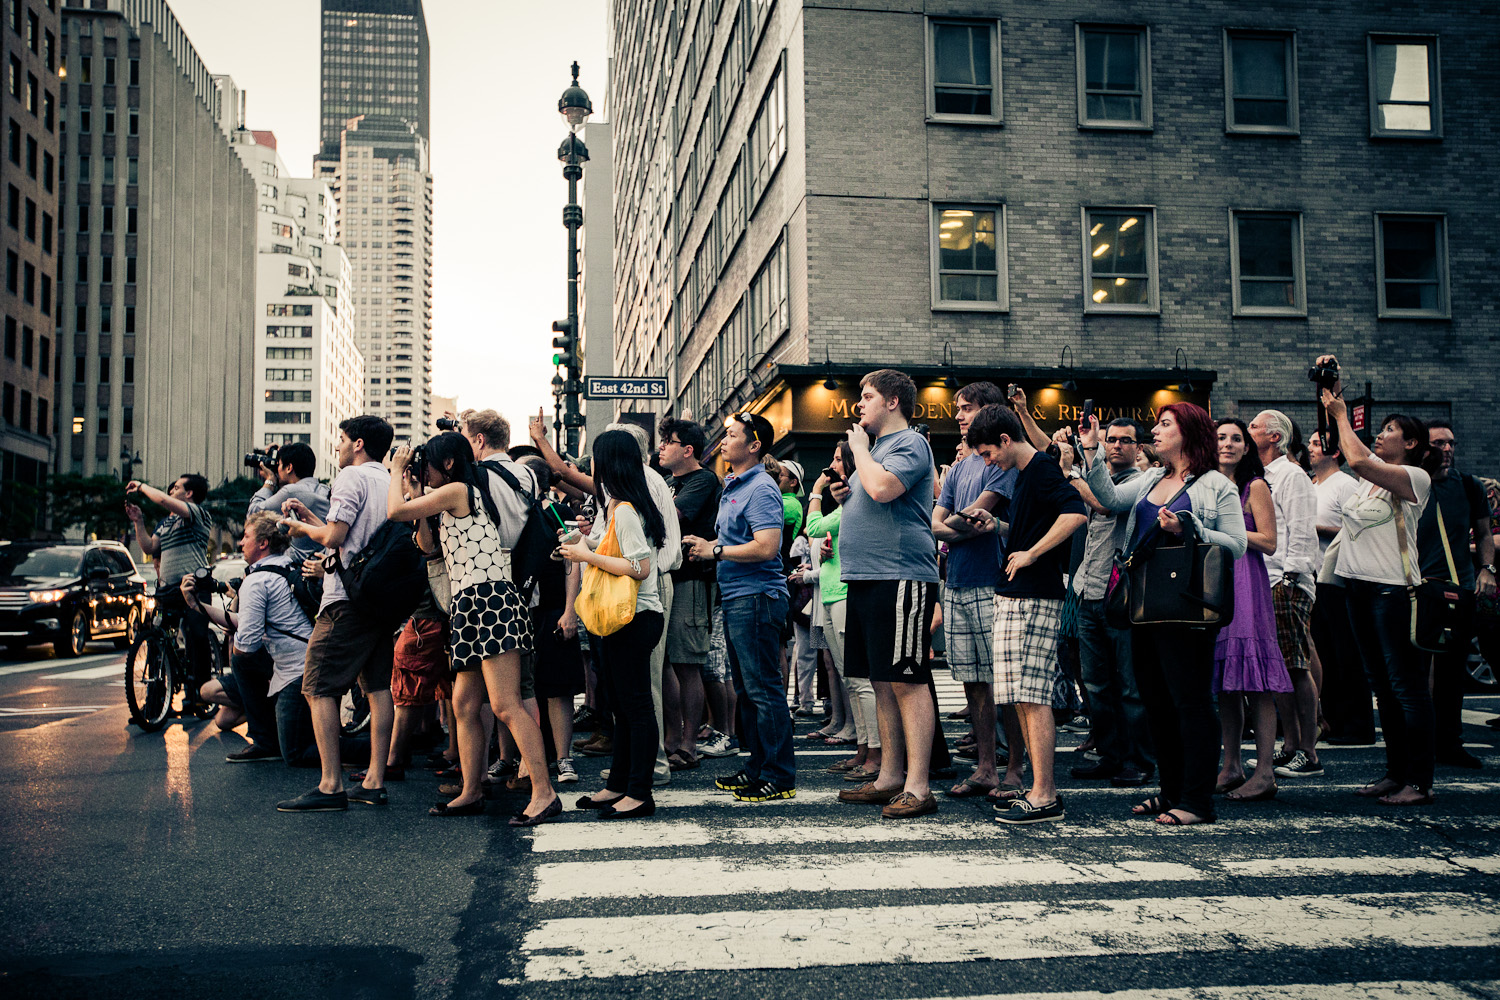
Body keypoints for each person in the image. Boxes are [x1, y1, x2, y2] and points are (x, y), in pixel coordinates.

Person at [1082, 403, 1248, 826]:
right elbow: (1108, 499)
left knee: (1190, 702)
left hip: (1188, 605)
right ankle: (1171, 790)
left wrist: (1190, 527)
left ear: (1188, 433)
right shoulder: (1151, 477)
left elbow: (1236, 544)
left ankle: (1196, 800)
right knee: (1156, 701)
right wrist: (1092, 452)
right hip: (1145, 602)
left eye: (1164, 425)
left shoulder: (1215, 485)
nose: (1154, 432)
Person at [384, 431, 559, 824]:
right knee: (464, 705)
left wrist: (396, 472)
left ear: (447, 463)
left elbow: (394, 512)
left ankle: (545, 792)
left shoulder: (461, 489)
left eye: (426, 463)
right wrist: (416, 493)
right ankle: (471, 790)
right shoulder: (446, 502)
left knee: (505, 704)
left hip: (491, 600)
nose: (420, 470)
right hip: (468, 606)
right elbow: (428, 548)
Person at [961, 405, 1089, 825]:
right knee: (1020, 694)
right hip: (1019, 592)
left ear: (1004, 439)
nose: (987, 462)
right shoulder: (1027, 474)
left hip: (1033, 594)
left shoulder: (1042, 469)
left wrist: (1033, 553)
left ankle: (1045, 794)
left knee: (1031, 695)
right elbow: (1036, 525)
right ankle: (1038, 789)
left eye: (986, 453)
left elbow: (1077, 512)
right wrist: (997, 527)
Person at [1318, 355, 1435, 806]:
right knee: (1381, 686)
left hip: (1394, 590)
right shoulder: (1366, 482)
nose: (1380, 434)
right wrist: (1333, 391)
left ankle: (1419, 782)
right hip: (1358, 588)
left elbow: (1355, 455)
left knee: (1406, 687)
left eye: (1388, 430)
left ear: (1409, 443)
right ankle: (1394, 773)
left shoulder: (1413, 478)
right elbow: (1341, 444)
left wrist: (1345, 416)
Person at [832, 369, 945, 820]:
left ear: (893, 401)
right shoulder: (876, 450)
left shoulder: (910, 444)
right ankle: (890, 777)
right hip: (866, 577)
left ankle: (919, 785)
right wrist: (843, 496)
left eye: (868, 395)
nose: (860, 404)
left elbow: (882, 490)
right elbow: (870, 500)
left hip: (900, 576)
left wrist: (859, 451)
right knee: (881, 680)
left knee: (906, 679)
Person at [275, 415, 397, 813]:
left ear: (358, 443)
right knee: (378, 689)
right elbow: (351, 537)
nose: (338, 447)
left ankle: (331, 785)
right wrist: (312, 522)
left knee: (318, 687)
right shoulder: (388, 480)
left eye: (342, 440)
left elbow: (336, 537)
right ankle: (374, 780)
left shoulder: (351, 478)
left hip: (344, 601)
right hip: (379, 597)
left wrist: (300, 529)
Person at [684, 412, 796, 802]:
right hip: (736, 596)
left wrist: (714, 549)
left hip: (757, 596)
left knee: (764, 690)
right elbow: (734, 538)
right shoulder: (734, 483)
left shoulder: (761, 488)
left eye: (732, 435)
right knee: (749, 690)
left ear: (754, 446)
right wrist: (709, 543)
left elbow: (767, 547)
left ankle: (779, 777)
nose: (723, 441)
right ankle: (757, 768)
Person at [565, 430, 670, 819]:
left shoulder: (625, 509)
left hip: (635, 617)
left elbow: (640, 568)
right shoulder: (616, 507)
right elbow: (619, 554)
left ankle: (639, 793)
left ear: (606, 463)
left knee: (636, 708)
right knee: (623, 709)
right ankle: (618, 785)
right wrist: (585, 544)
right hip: (621, 619)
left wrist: (585, 555)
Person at [929, 382, 1015, 800]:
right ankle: (985, 768)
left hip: (992, 581)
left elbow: (978, 514)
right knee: (973, 683)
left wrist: (955, 529)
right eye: (958, 409)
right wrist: (959, 529)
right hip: (958, 581)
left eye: (967, 409)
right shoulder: (961, 466)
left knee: (1004, 683)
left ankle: (1013, 769)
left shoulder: (998, 461)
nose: (959, 416)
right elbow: (940, 522)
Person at [186, 512, 318, 766]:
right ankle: (266, 735)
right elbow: (242, 621)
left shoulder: (257, 580)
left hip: (296, 673)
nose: (240, 543)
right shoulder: (284, 566)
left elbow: (246, 647)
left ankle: (373, 751)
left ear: (263, 543)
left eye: (246, 537)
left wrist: (237, 642)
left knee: (295, 752)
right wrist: (197, 606)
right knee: (294, 746)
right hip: (304, 663)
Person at [1067, 418, 1155, 787]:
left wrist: (1078, 470)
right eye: (1111, 440)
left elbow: (1107, 503)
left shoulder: (1142, 480)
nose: (1117, 445)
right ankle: (1109, 755)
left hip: (1120, 596)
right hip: (1088, 591)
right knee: (1095, 684)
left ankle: (1140, 760)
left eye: (1125, 441)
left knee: (1130, 687)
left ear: (1138, 447)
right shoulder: (1095, 474)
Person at [1211, 418, 1290, 803]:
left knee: (1256, 681)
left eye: (1236, 438)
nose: (1227, 444)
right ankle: (1231, 766)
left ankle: (1264, 772)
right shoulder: (1205, 482)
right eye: (1221, 437)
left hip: (1246, 582)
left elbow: (1271, 541)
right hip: (1215, 583)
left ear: (1247, 448)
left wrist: (1221, 532)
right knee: (1226, 680)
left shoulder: (1254, 485)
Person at [1248, 409, 1324, 778]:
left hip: (1286, 580)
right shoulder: (1260, 476)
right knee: (1278, 669)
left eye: (1253, 427)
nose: (1248, 432)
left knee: (1296, 665)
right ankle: (1290, 744)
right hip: (1265, 579)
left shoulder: (1291, 475)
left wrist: (1292, 576)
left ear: (1275, 437)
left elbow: (1301, 528)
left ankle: (1308, 751)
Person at [1418, 420, 1497, 769]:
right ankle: (1417, 745)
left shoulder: (1468, 485)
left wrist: (1486, 569)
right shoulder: (1410, 482)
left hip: (1458, 588)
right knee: (1414, 673)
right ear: (1421, 447)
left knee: (1451, 674)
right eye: (1438, 444)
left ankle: (1449, 743)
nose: (1447, 449)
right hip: (1416, 587)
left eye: (1451, 443)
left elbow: (1483, 533)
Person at [657, 417, 720, 770]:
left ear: (688, 450)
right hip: (668, 578)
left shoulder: (703, 479)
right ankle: (670, 739)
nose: (662, 446)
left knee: (687, 664)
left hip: (692, 580)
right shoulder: (668, 481)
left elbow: (674, 517)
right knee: (666, 663)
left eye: (669, 441)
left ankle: (689, 744)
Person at [808, 442, 874, 775]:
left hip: (846, 593)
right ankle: (862, 750)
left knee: (860, 681)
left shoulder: (855, 500)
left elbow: (813, 528)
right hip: (834, 593)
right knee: (850, 679)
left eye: (837, 459)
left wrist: (816, 491)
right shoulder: (846, 503)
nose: (831, 465)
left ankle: (872, 753)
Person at [124, 473, 214, 709]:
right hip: (168, 591)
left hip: (194, 587)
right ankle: (155, 701)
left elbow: (163, 500)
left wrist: (142, 486)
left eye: (176, 487)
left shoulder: (197, 514)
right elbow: (150, 546)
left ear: (190, 493)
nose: (172, 490)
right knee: (156, 639)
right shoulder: (166, 523)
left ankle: (201, 695)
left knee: (196, 635)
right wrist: (139, 521)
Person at [1307, 430, 1373, 745]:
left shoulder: (1345, 484)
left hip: (1339, 580)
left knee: (1346, 653)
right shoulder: (1311, 484)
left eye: (1317, 443)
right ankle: (1332, 719)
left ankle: (1358, 725)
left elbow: (1358, 529)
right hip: (1314, 579)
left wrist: (1313, 527)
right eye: (1310, 442)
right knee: (1325, 655)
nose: (1310, 447)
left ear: (1335, 452)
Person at [247, 442, 330, 561]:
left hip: (299, 568)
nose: (277, 469)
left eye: (279, 465)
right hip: (321, 566)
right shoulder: (325, 490)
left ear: (289, 468)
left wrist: (270, 481)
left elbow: (253, 514)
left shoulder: (291, 492)